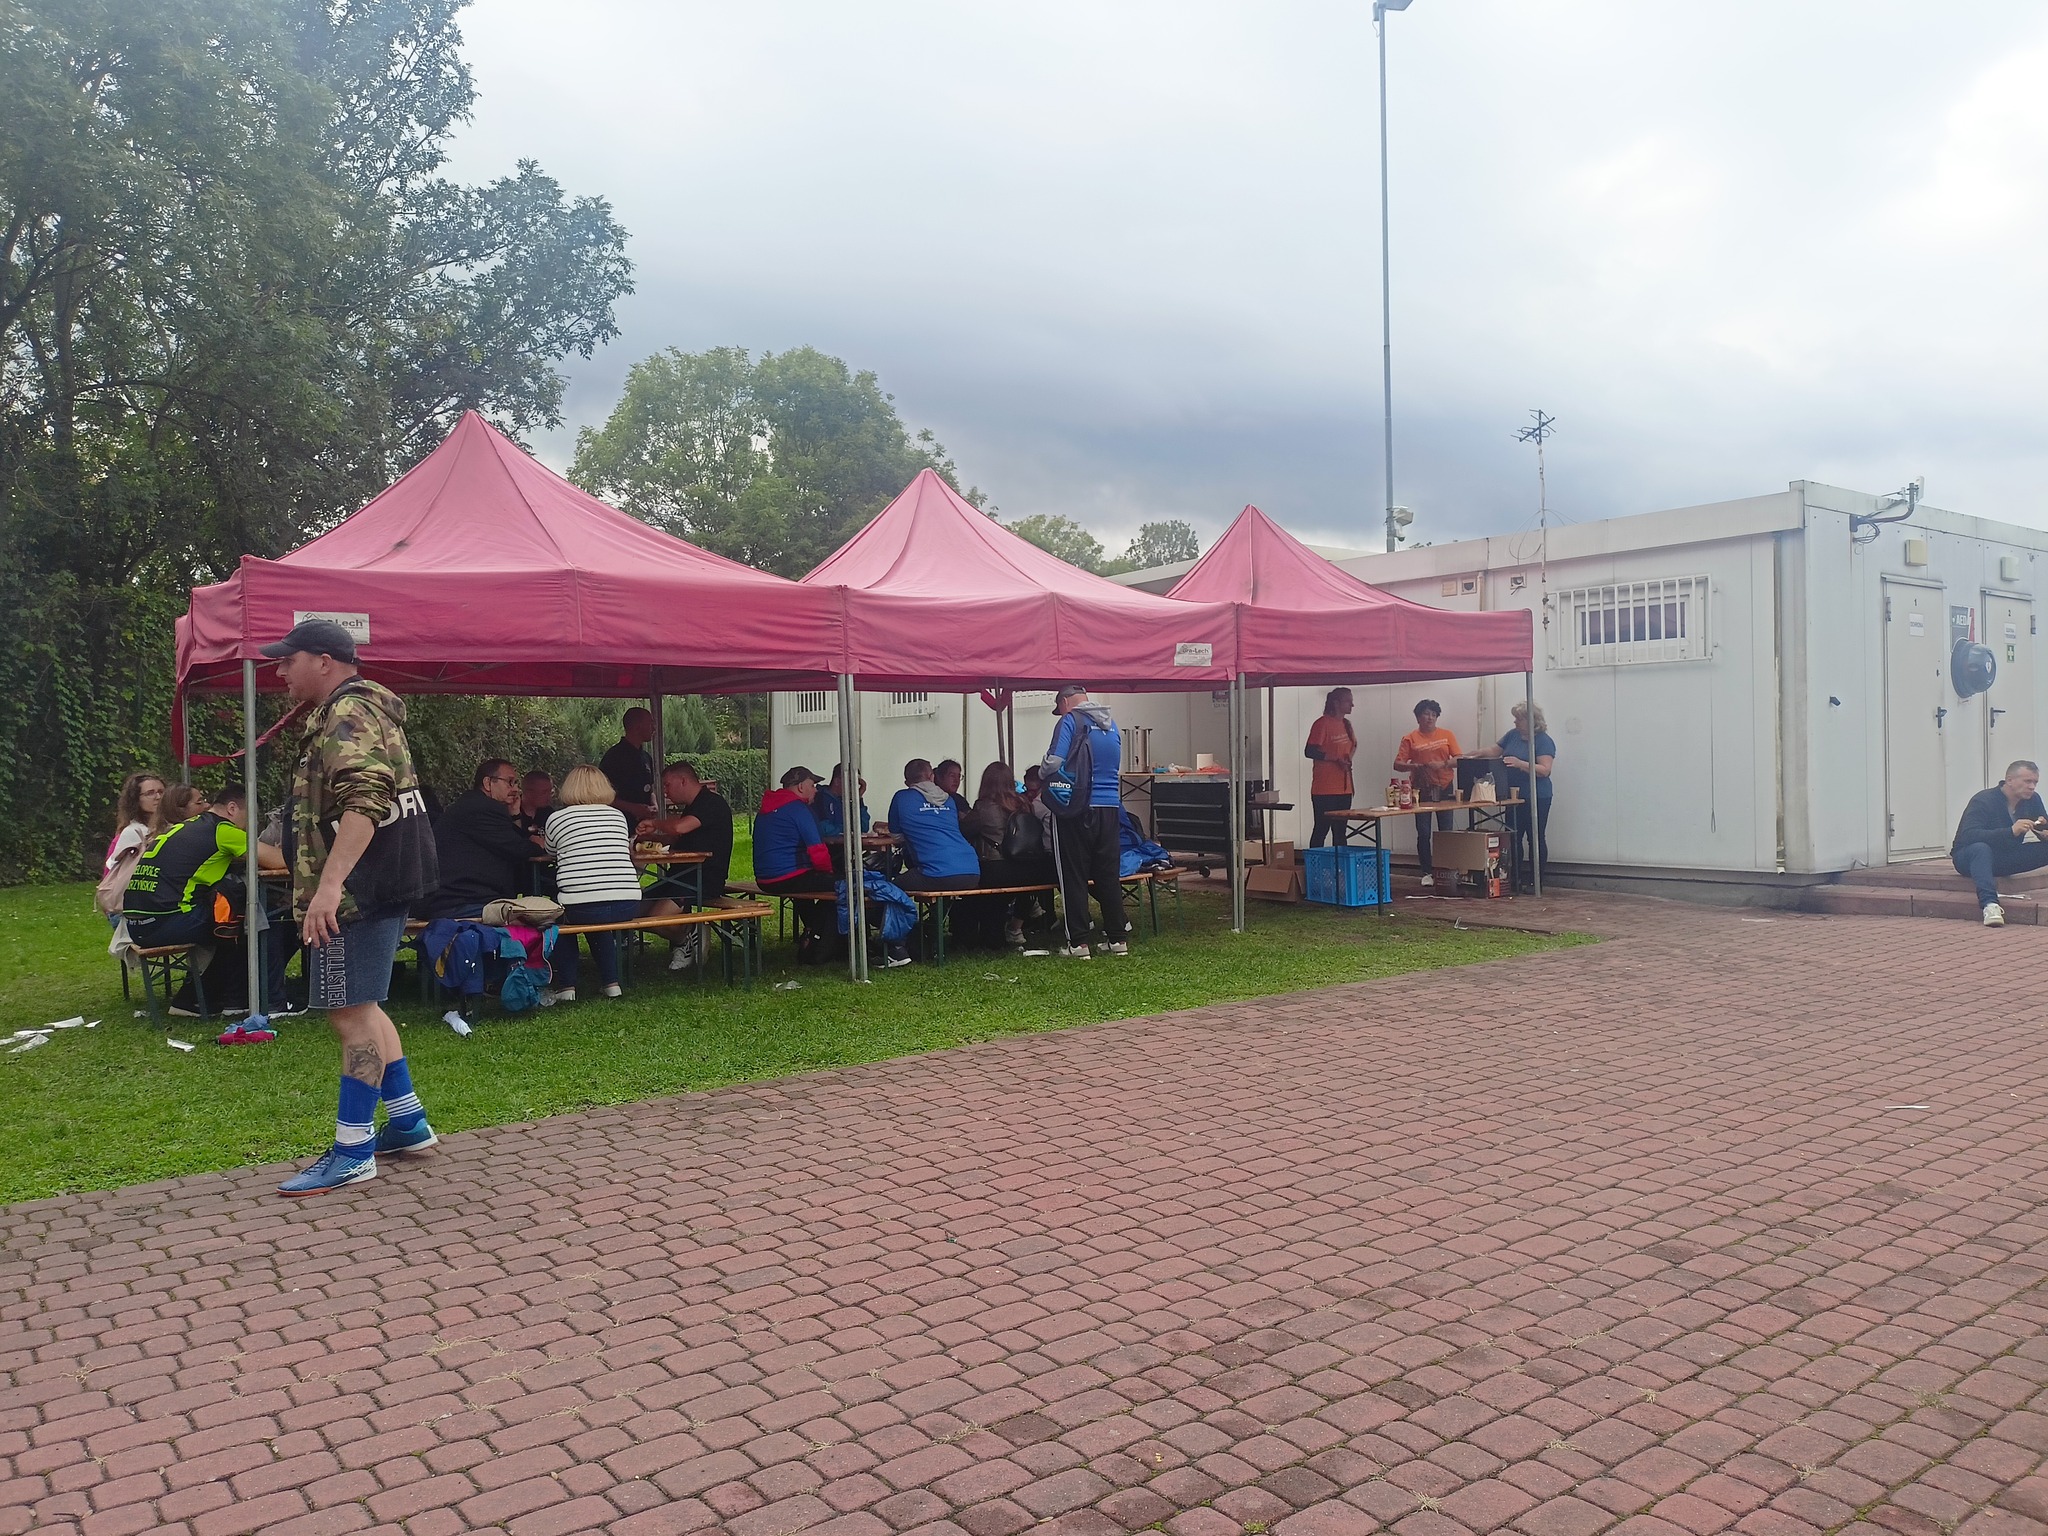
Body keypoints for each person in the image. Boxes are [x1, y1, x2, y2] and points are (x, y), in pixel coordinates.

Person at [265, 618, 439, 1197]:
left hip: (358, 890)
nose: (280, 671)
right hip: (384, 879)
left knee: (349, 1016)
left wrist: (329, 886)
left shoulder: (346, 712)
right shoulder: (363, 709)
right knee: (363, 1006)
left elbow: (365, 800)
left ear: (324, 660)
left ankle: (353, 1149)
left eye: (288, 660)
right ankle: (408, 1123)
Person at [122, 784, 284, 1010]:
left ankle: (205, 998)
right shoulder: (224, 831)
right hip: (168, 922)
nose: (250, 824)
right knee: (254, 922)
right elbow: (280, 862)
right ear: (232, 808)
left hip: (136, 925)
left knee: (232, 915)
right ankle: (261, 1001)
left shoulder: (187, 826)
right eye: (250, 816)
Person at [543, 765, 646, 1000]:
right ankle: (612, 983)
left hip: (581, 906)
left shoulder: (557, 818)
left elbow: (550, 850)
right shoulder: (618, 816)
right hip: (627, 903)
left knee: (558, 917)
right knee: (599, 915)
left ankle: (567, 986)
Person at [1043, 684, 1129, 958]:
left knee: (1073, 875)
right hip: (1110, 807)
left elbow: (1054, 761)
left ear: (1065, 702)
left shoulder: (1070, 720)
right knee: (1108, 875)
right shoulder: (1111, 725)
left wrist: (1042, 771)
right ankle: (1117, 939)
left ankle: (1078, 943)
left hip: (1077, 807)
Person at [637, 760, 736, 970]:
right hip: (679, 876)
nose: (665, 791)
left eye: (667, 785)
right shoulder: (693, 807)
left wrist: (654, 823)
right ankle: (687, 935)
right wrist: (648, 839)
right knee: (634, 910)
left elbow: (680, 828)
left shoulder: (711, 803)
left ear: (683, 781)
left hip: (703, 878)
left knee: (657, 918)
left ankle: (686, 935)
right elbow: (676, 839)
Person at [426, 759, 545, 918]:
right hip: (459, 901)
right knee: (538, 919)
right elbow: (516, 848)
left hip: (460, 898)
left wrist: (515, 815)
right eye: (510, 782)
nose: (516, 789)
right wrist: (539, 845)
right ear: (488, 783)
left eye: (516, 783)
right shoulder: (483, 809)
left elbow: (511, 840)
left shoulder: (474, 804)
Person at [755, 766, 839, 962]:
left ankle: (813, 934)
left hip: (764, 879)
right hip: (789, 877)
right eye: (813, 785)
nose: (816, 790)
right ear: (801, 787)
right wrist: (828, 873)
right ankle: (820, 940)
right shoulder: (799, 809)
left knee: (811, 890)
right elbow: (818, 851)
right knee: (842, 886)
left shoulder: (765, 808)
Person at [1951, 759, 2048, 927]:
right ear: (2009, 780)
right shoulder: (1984, 800)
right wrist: (2010, 831)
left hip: (2004, 857)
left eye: (2035, 782)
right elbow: (1968, 836)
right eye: (2027, 781)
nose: (2032, 787)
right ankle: (1990, 905)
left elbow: (2042, 825)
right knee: (1981, 848)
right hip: (1969, 858)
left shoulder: (2032, 800)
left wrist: (2044, 831)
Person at [967, 761, 1048, 947]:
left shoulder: (982, 807)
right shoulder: (1024, 803)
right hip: (1026, 868)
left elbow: (965, 830)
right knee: (1012, 893)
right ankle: (1010, 929)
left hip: (995, 867)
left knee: (984, 895)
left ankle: (988, 936)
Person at [1479, 700, 1557, 886]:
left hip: (1537, 796)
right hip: (1513, 797)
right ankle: (1515, 878)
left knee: (1535, 838)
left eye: (1519, 719)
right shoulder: (1512, 735)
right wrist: (1474, 754)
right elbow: (1494, 751)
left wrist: (1520, 764)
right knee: (1513, 836)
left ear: (1532, 720)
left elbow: (1545, 770)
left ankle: (1536, 881)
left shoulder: (1543, 741)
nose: (1515, 722)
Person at [1395, 699, 1462, 887]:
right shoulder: (1410, 738)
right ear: (1418, 717)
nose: (1430, 718)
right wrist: (1415, 766)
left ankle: (1446, 870)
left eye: (1433, 714)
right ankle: (1426, 871)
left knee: (1446, 831)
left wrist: (1443, 764)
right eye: (1426, 714)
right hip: (1421, 789)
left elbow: (1460, 758)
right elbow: (1397, 764)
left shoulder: (1447, 735)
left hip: (1445, 786)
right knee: (1423, 832)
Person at [1305, 688, 1357, 849]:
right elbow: (1310, 751)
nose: (1352, 705)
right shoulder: (1322, 724)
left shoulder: (1346, 724)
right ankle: (1315, 861)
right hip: (1324, 789)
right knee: (1321, 829)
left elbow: (1352, 746)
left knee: (1340, 831)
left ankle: (1340, 863)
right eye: (1348, 701)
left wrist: (1347, 759)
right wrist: (1335, 758)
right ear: (1336, 703)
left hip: (1344, 787)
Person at [599, 707, 657, 822]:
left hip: (644, 823)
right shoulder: (613, 758)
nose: (654, 729)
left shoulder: (646, 757)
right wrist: (633, 808)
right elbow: (603, 796)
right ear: (637, 727)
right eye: (650, 724)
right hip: (619, 822)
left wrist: (654, 804)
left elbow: (649, 789)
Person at [107, 771, 166, 875]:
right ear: (136, 799)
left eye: (161, 792)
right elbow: (114, 871)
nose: (158, 797)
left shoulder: (173, 827)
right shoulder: (132, 832)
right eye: (150, 793)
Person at [816, 763, 873, 841]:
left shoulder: (847, 801)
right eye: (851, 782)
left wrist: (858, 798)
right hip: (828, 846)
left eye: (856, 783)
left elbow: (863, 827)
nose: (854, 787)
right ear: (837, 781)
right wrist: (849, 829)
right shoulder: (819, 797)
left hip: (846, 846)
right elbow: (824, 828)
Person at [513, 770, 555, 837]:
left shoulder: (549, 813)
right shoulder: (510, 811)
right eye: (544, 792)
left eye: (550, 792)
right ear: (529, 793)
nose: (549, 796)